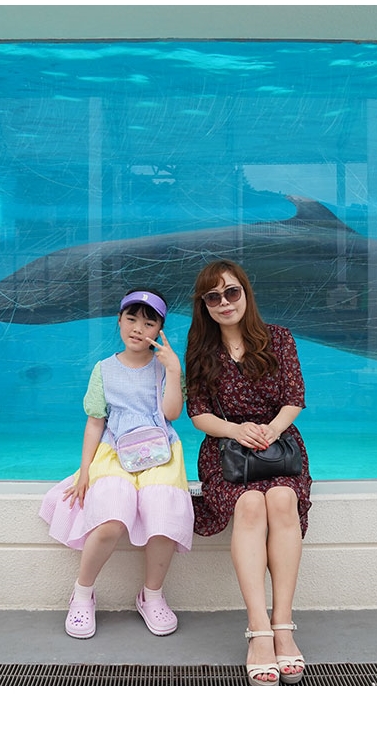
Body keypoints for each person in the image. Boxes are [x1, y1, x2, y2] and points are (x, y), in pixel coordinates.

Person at [184, 260, 312, 686]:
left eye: (231, 292)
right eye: (213, 297)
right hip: (226, 452)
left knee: (282, 498)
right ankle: (258, 630)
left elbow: (294, 398)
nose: (224, 303)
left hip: (279, 448)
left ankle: (283, 625)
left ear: (245, 293)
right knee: (251, 504)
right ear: (204, 305)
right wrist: (236, 430)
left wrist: (270, 430)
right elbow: (198, 413)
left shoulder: (279, 338)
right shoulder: (201, 349)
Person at [39, 288, 193, 640]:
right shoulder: (104, 369)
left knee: (162, 519)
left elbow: (171, 414)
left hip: (160, 450)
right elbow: (95, 422)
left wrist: (173, 369)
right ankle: (82, 593)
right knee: (110, 521)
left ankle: (151, 595)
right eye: (131, 318)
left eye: (149, 323)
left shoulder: (164, 367)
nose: (138, 328)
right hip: (114, 451)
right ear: (119, 321)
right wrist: (85, 470)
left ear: (160, 330)